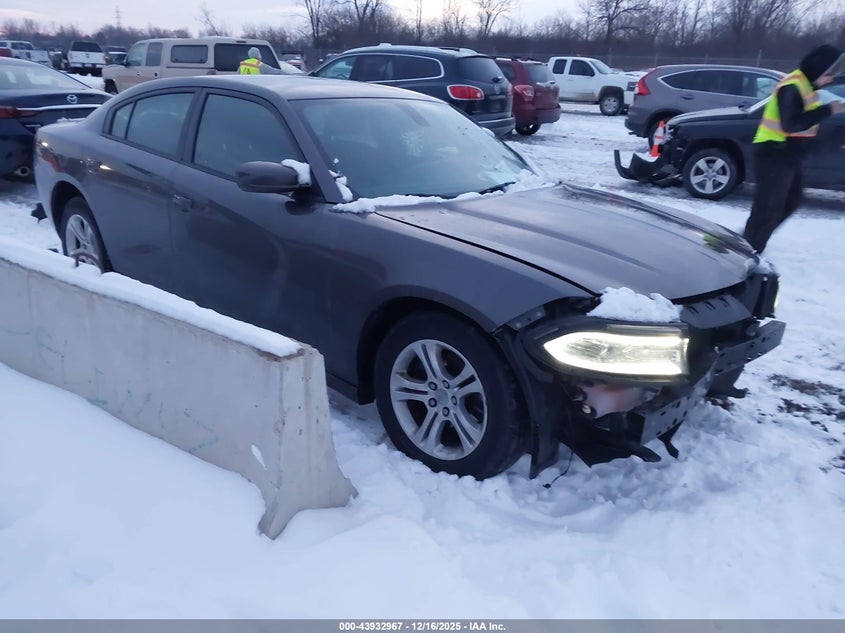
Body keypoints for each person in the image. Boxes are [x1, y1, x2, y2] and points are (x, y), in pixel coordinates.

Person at [742, 44, 845, 253]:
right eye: (829, 74)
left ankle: (750, 240)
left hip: (787, 155)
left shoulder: (808, 86)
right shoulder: (793, 86)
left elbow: (805, 123)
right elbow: (790, 124)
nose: (831, 79)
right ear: (818, 68)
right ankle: (749, 249)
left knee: (790, 202)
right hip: (772, 152)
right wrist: (828, 110)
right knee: (769, 207)